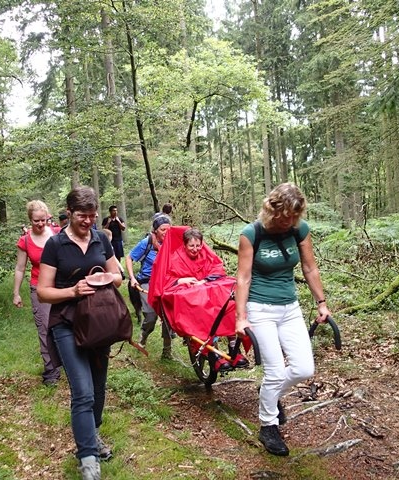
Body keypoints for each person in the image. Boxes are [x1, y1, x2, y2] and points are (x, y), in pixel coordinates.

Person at [235, 182, 331, 457]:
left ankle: (269, 393)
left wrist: (321, 303)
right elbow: (243, 277)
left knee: (303, 368)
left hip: (290, 308)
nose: (291, 221)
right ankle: (268, 425)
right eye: (287, 215)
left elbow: (310, 267)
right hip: (260, 308)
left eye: (295, 215)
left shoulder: (299, 229)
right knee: (275, 371)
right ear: (273, 209)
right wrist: (241, 318)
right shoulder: (251, 233)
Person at [37, 187, 122, 480]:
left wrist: (105, 278)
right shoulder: (56, 245)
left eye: (92, 216)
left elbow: (119, 277)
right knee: (83, 393)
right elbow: (44, 292)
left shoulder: (101, 239)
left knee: (98, 389)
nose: (88, 221)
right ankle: (89, 463)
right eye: (82, 216)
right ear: (70, 213)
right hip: (67, 324)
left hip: (99, 323)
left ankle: (92, 435)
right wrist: (72, 290)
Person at [162, 228, 248, 370]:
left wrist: (205, 280)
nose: (195, 249)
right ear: (184, 245)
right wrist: (182, 280)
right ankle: (212, 352)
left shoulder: (206, 254)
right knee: (200, 304)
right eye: (191, 246)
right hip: (190, 293)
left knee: (230, 293)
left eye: (198, 245)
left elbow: (217, 268)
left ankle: (234, 345)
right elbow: (167, 278)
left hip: (208, 287)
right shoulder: (175, 258)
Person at [13, 200, 62, 386]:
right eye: (36, 221)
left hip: (62, 285)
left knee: (67, 325)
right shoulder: (25, 241)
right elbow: (19, 268)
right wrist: (16, 293)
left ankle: (69, 361)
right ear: (30, 220)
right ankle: (51, 370)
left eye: (44, 220)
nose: (41, 224)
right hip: (39, 289)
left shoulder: (58, 234)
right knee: (45, 329)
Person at [125, 214, 173, 360]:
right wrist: (132, 278)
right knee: (151, 315)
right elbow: (129, 257)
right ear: (156, 230)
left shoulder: (172, 243)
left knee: (168, 317)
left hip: (166, 283)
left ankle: (167, 350)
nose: (166, 232)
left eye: (168, 229)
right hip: (147, 282)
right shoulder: (147, 243)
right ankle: (143, 337)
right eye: (163, 229)